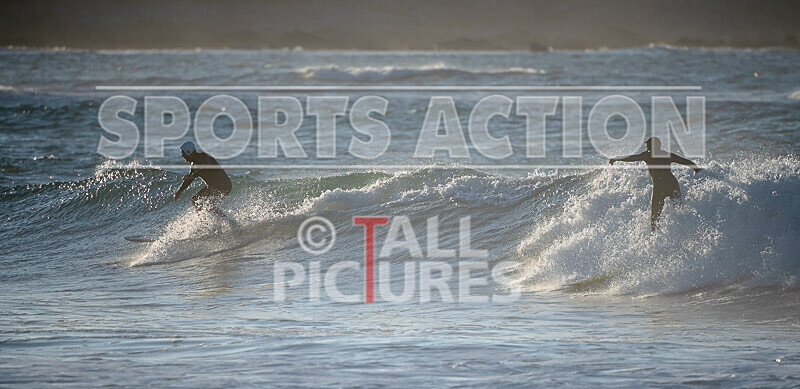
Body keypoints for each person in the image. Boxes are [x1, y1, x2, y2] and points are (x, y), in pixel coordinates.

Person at [609, 137, 702, 231]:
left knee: (657, 217)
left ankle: (667, 235)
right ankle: (686, 232)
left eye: (648, 146)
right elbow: (684, 161)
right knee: (675, 211)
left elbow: (633, 157)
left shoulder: (647, 155)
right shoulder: (666, 155)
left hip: (662, 187)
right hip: (670, 185)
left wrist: (617, 159)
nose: (647, 148)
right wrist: (696, 168)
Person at [174, 141, 232, 216]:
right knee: (196, 200)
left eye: (183, 153)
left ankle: (225, 222)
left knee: (209, 206)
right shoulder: (194, 164)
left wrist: (194, 175)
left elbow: (206, 166)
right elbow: (190, 178)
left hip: (223, 185)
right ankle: (203, 220)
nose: (182, 155)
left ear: (188, 152)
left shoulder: (204, 157)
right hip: (214, 186)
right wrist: (180, 190)